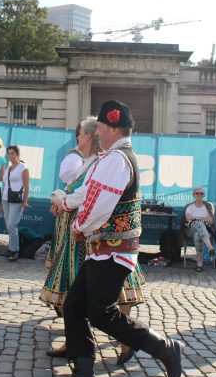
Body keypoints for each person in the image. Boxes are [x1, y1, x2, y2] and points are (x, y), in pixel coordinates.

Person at [48, 100, 183, 377]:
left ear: (114, 127)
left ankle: (164, 349)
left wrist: (78, 228)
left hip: (112, 251)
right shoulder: (112, 158)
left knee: (101, 313)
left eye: (100, 128)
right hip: (106, 250)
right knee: (74, 306)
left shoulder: (116, 160)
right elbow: (89, 191)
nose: (96, 133)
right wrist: (65, 199)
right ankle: (83, 376)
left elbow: (99, 204)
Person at [42, 117, 146, 364]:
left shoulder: (111, 160)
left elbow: (96, 201)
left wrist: (76, 219)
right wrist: (63, 202)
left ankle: (152, 345)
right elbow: (80, 195)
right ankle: (82, 356)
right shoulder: (96, 161)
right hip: (94, 237)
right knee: (84, 301)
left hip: (98, 238)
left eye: (82, 133)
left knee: (101, 305)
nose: (78, 137)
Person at [2, 144, 29, 262]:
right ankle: (11, 248)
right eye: (8, 153)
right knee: (8, 225)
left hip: (17, 200)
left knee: (12, 225)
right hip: (5, 199)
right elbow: (5, 185)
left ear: (17, 154)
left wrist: (25, 201)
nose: (10, 156)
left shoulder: (23, 167)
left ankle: (15, 250)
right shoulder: (8, 168)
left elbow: (27, 186)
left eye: (12, 153)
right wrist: (1, 203)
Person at [181, 187, 216, 272]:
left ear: (204, 195)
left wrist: (195, 218)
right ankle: (209, 247)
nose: (199, 195)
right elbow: (188, 219)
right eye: (197, 193)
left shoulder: (208, 206)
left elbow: (211, 221)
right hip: (190, 230)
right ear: (194, 195)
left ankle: (199, 262)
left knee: (198, 234)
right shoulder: (189, 206)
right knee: (198, 223)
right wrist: (203, 219)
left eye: (201, 193)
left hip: (206, 231)